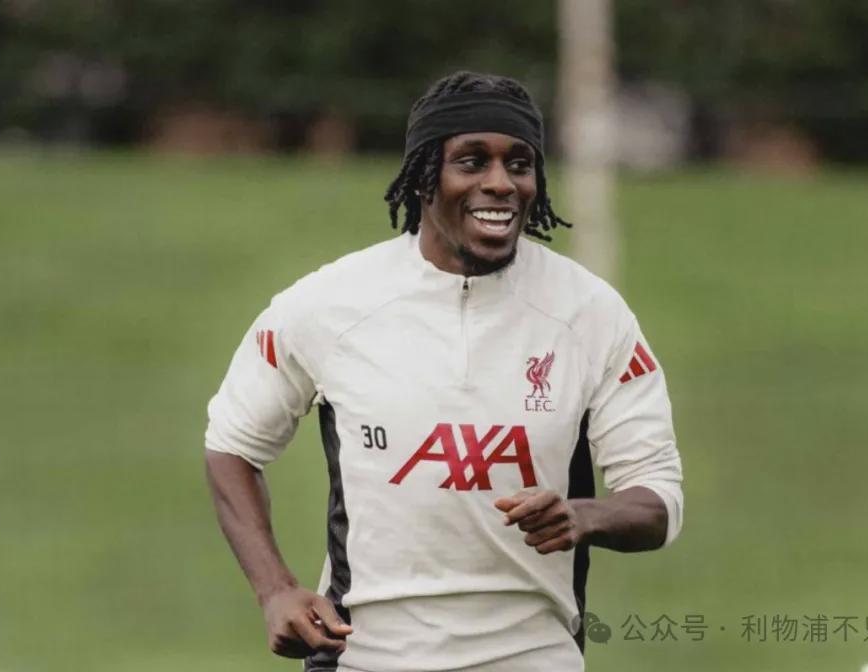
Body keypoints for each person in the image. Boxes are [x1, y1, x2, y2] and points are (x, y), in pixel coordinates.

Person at [204, 70, 684, 672]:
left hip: (533, 659)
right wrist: (274, 588)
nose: (500, 183)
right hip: (363, 658)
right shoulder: (329, 305)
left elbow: (658, 499)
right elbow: (232, 444)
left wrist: (582, 515)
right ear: (424, 177)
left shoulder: (590, 314)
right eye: (472, 162)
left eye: (519, 164)